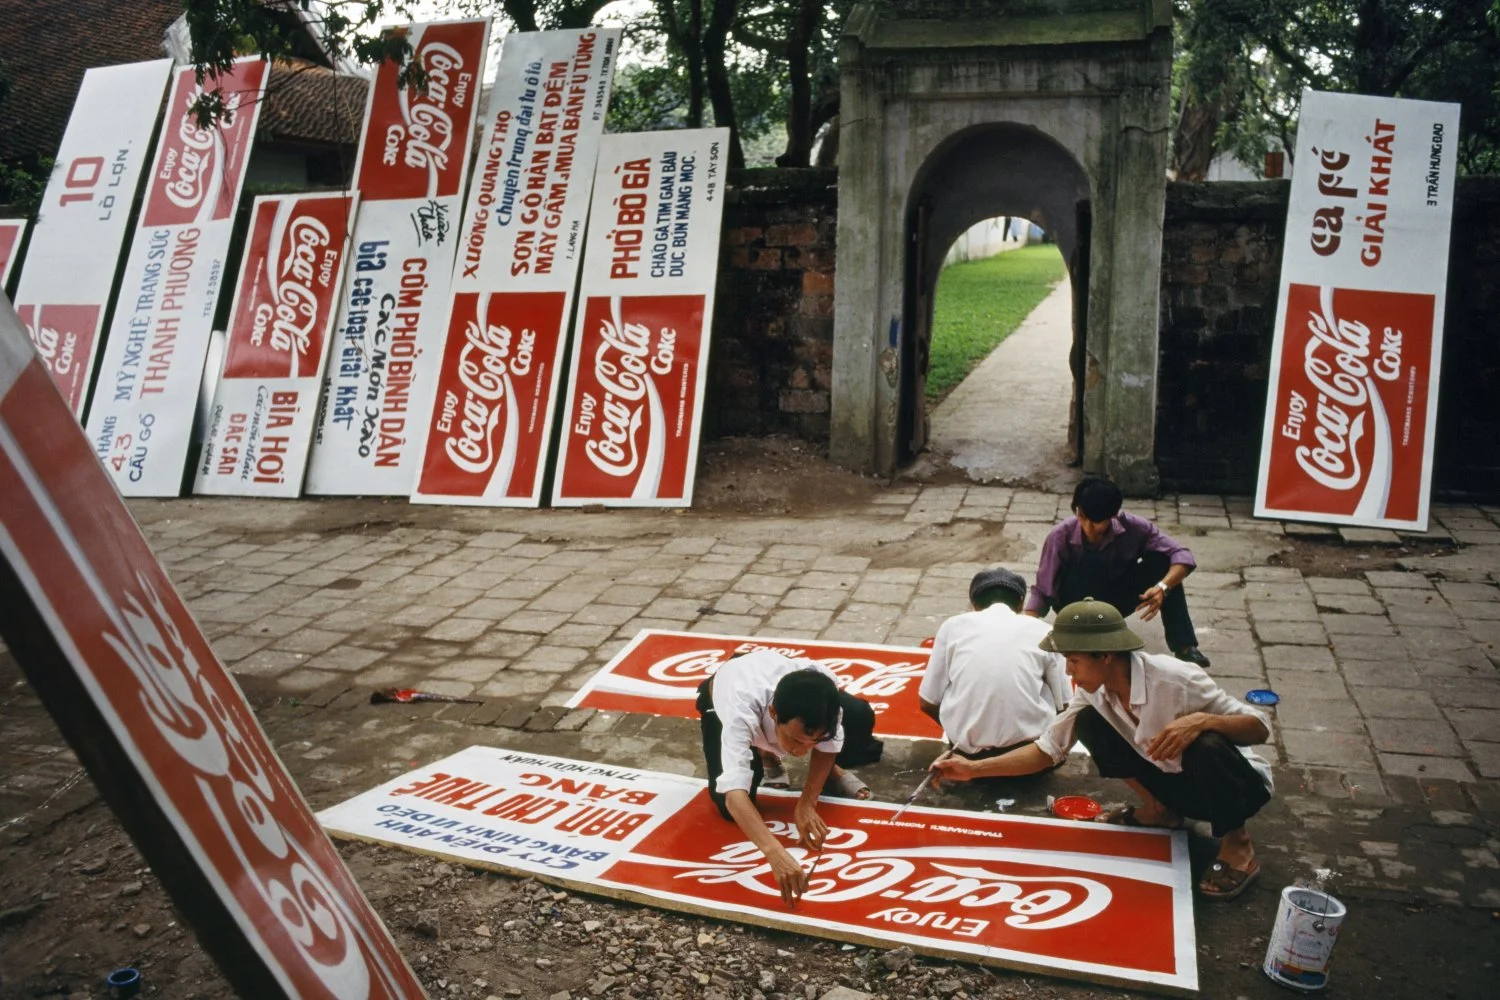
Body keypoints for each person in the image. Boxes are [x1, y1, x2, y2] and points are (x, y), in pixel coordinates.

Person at [930, 598, 1273, 900]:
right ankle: (1160, 810)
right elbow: (1047, 750)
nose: (1068, 670)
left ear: (1106, 655)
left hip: (1232, 790)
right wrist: (972, 768)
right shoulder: (1092, 692)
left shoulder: (1177, 679)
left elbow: (1260, 728)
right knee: (1090, 723)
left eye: (1075, 661)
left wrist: (1201, 721)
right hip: (1175, 784)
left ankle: (1237, 843)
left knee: (1206, 744)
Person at [696, 650, 884, 905]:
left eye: (813, 742)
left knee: (859, 716)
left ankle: (832, 770)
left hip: (776, 680)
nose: (799, 752)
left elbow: (830, 742)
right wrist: (775, 852)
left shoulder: (828, 699)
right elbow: (734, 796)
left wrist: (807, 803)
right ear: (773, 713)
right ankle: (765, 754)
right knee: (728, 806)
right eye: (795, 740)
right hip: (722, 695)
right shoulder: (739, 711)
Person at [1026, 475, 1212, 669]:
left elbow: (1181, 554)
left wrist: (1162, 587)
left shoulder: (1134, 527)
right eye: (1083, 518)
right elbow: (1043, 591)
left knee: (1162, 561)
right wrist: (1023, 627)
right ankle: (1087, 637)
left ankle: (1185, 647)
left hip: (1115, 596)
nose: (1089, 527)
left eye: (1097, 522)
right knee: (1093, 562)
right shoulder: (1059, 536)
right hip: (1076, 604)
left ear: (1113, 516)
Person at [918, 567, 1070, 760]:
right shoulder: (1043, 630)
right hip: (1029, 759)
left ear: (973, 603)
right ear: (1021, 603)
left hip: (965, 756)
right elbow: (1065, 705)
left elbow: (927, 702)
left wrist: (961, 730)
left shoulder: (953, 626)